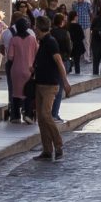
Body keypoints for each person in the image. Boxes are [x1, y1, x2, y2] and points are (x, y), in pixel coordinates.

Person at [28, 15, 69, 162]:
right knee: (41, 118)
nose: (34, 30)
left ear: (38, 28)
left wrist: (65, 82)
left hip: (50, 85)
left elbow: (59, 62)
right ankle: (47, 150)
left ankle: (58, 145)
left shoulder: (51, 42)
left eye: (35, 28)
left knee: (46, 115)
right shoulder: (43, 43)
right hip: (39, 83)